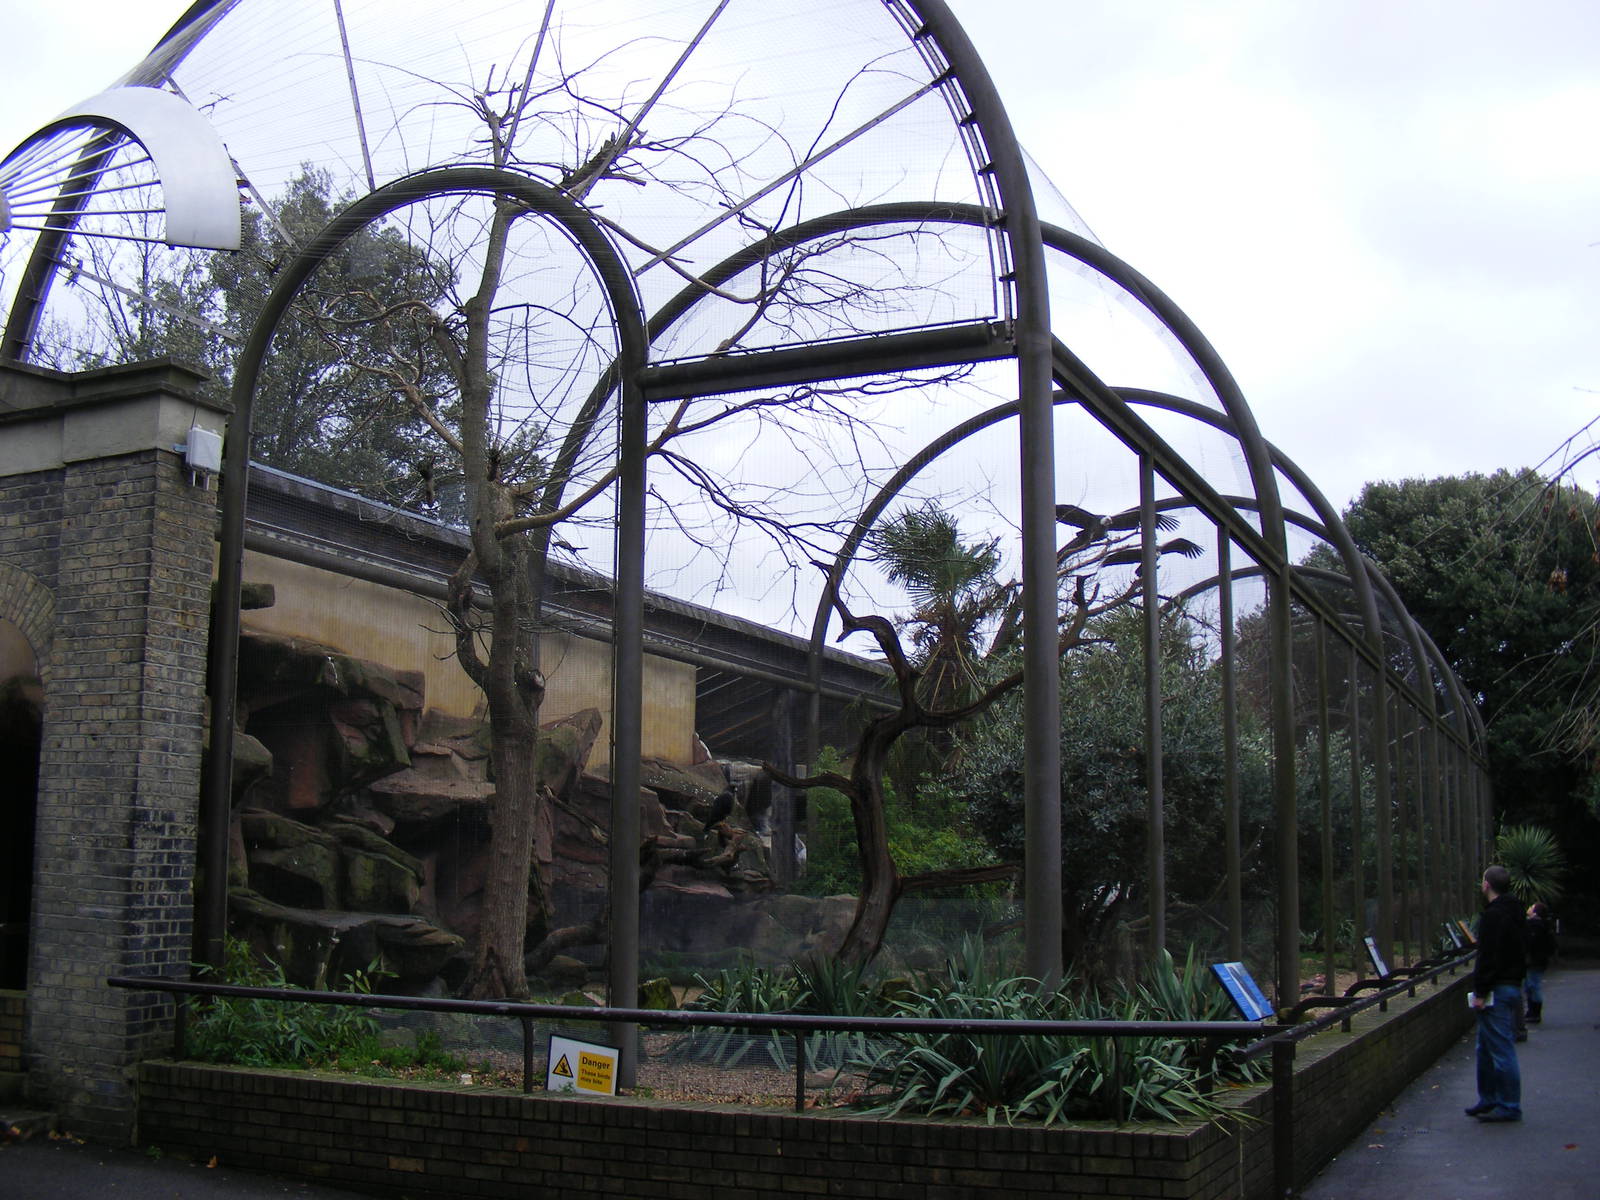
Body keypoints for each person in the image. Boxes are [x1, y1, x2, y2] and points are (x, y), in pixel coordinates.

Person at [1465, 865, 1526, 1123]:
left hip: (1497, 989)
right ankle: (1489, 1097)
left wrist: (1481, 990)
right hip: (1511, 984)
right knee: (1486, 1046)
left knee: (1501, 1049)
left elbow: (1489, 956)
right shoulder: (1517, 912)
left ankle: (1509, 1105)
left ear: (1487, 885)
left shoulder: (1493, 917)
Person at [1524, 901, 1556, 1024]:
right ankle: (1532, 1011)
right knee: (1530, 985)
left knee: (1533, 985)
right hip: (1537, 960)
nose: (1529, 907)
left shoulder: (1535, 925)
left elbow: (1533, 944)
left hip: (1535, 960)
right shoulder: (1540, 925)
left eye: (1532, 906)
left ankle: (1535, 1012)